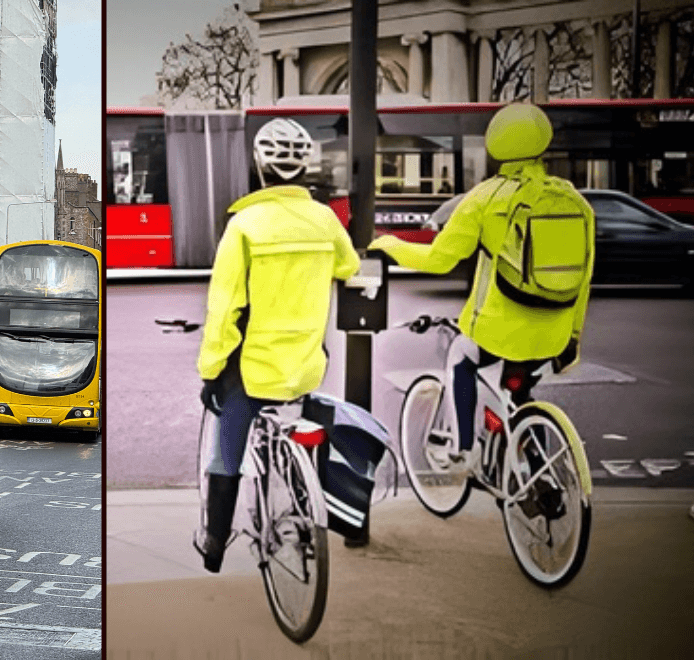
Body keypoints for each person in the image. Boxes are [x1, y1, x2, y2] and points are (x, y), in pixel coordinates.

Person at [369, 104, 594, 503]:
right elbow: (584, 276)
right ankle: (535, 461)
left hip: (498, 330)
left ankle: (465, 451)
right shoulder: (573, 200)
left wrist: (389, 246)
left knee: (461, 354)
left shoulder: (484, 199)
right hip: (557, 331)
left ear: (496, 146)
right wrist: (572, 336)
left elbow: (439, 259)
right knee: (520, 392)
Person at [194, 117, 360, 573]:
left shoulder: (245, 224)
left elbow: (223, 310)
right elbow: (349, 267)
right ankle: (308, 510)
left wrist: (210, 371)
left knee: (225, 451)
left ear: (259, 168)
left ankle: (215, 542)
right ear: (304, 168)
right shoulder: (325, 219)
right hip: (306, 368)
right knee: (298, 430)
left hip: (254, 372)